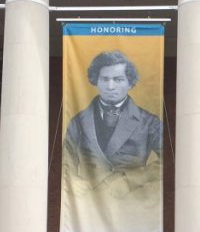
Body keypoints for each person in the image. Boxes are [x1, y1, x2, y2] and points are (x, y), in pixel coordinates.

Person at [64, 50, 163, 181]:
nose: (110, 86)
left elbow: (167, 161)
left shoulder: (150, 122)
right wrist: (78, 186)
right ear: (96, 81)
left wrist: (130, 180)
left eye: (118, 80)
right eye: (105, 79)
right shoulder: (78, 121)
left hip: (133, 196)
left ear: (130, 83)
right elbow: (65, 162)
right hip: (88, 197)